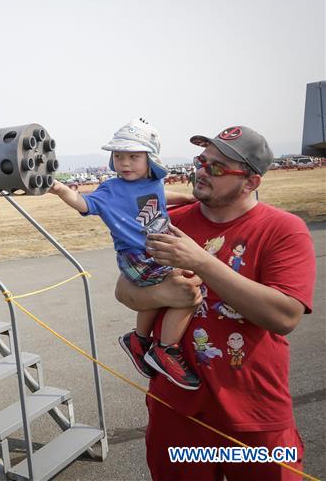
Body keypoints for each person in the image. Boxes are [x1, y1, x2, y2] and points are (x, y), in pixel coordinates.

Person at [116, 125, 315, 480]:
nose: (202, 171)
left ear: (251, 182)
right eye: (201, 161)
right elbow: (125, 291)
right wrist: (162, 294)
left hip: (254, 416)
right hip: (176, 411)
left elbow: (285, 316)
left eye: (218, 167)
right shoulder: (168, 223)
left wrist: (202, 262)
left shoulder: (284, 229)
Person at [49, 118, 199, 389]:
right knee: (188, 291)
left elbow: (160, 195)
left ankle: (139, 340)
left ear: (150, 159)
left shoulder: (153, 182)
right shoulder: (112, 189)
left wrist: (187, 198)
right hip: (137, 256)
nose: (125, 163)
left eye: (133, 157)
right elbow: (84, 203)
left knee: (160, 295)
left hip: (156, 251)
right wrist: (61, 190)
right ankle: (165, 349)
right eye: (119, 156)